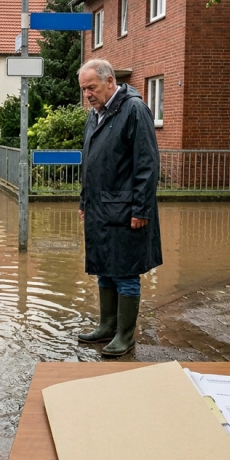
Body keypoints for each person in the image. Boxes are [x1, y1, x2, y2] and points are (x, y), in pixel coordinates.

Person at [75, 59, 162, 357]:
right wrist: (85, 201)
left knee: (125, 273)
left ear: (110, 82)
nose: (87, 94)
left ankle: (125, 336)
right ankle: (106, 326)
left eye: (92, 88)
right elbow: (89, 163)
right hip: (100, 208)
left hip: (126, 210)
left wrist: (141, 210)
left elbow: (147, 165)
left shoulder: (134, 110)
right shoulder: (96, 114)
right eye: (84, 89)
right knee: (104, 270)